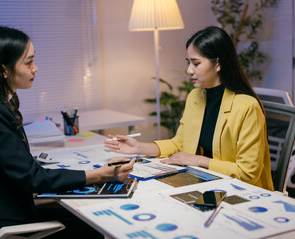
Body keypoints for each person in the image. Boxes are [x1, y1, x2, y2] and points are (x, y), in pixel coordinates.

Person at [0, 26, 135, 239]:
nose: (36, 68)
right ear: (4, 69)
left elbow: (19, 166)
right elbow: (30, 177)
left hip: (14, 206)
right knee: (95, 228)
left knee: (84, 218)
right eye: (28, 62)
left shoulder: (3, 101)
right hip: (5, 220)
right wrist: (99, 174)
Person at [104, 26, 274, 191]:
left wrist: (199, 160)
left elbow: (248, 173)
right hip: (207, 183)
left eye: (196, 63)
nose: (189, 70)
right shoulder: (195, 96)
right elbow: (179, 144)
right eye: (188, 62)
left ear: (218, 64)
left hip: (241, 192)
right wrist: (139, 147)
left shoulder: (247, 107)